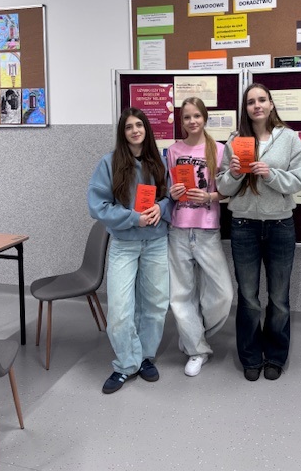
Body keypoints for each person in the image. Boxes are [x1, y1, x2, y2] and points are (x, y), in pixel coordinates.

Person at [216, 83, 301, 382]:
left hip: (280, 225)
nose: (256, 105)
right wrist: (234, 174)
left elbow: (299, 181)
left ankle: (276, 356)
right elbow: (222, 187)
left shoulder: (289, 138)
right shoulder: (235, 141)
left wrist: (270, 174)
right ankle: (251, 356)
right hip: (244, 226)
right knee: (248, 297)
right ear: (245, 108)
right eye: (251, 102)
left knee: (279, 298)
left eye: (261, 100)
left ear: (271, 104)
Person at [87, 107, 172, 394]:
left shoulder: (159, 161)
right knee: (120, 311)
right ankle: (125, 363)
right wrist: (133, 218)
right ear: (122, 133)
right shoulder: (109, 163)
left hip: (156, 242)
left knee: (156, 306)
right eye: (129, 127)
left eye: (139, 125)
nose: (135, 130)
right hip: (124, 244)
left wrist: (161, 208)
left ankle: (145, 357)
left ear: (146, 129)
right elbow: (97, 206)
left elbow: (171, 197)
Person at [167, 97, 233, 377]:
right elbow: (168, 190)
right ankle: (197, 349)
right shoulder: (173, 150)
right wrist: (171, 193)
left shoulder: (219, 150)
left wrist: (209, 197)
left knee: (223, 294)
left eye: (196, 116)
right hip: (178, 230)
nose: (192, 121)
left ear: (205, 118)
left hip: (207, 230)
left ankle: (195, 332)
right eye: (186, 117)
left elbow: (228, 191)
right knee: (181, 294)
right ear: (181, 122)